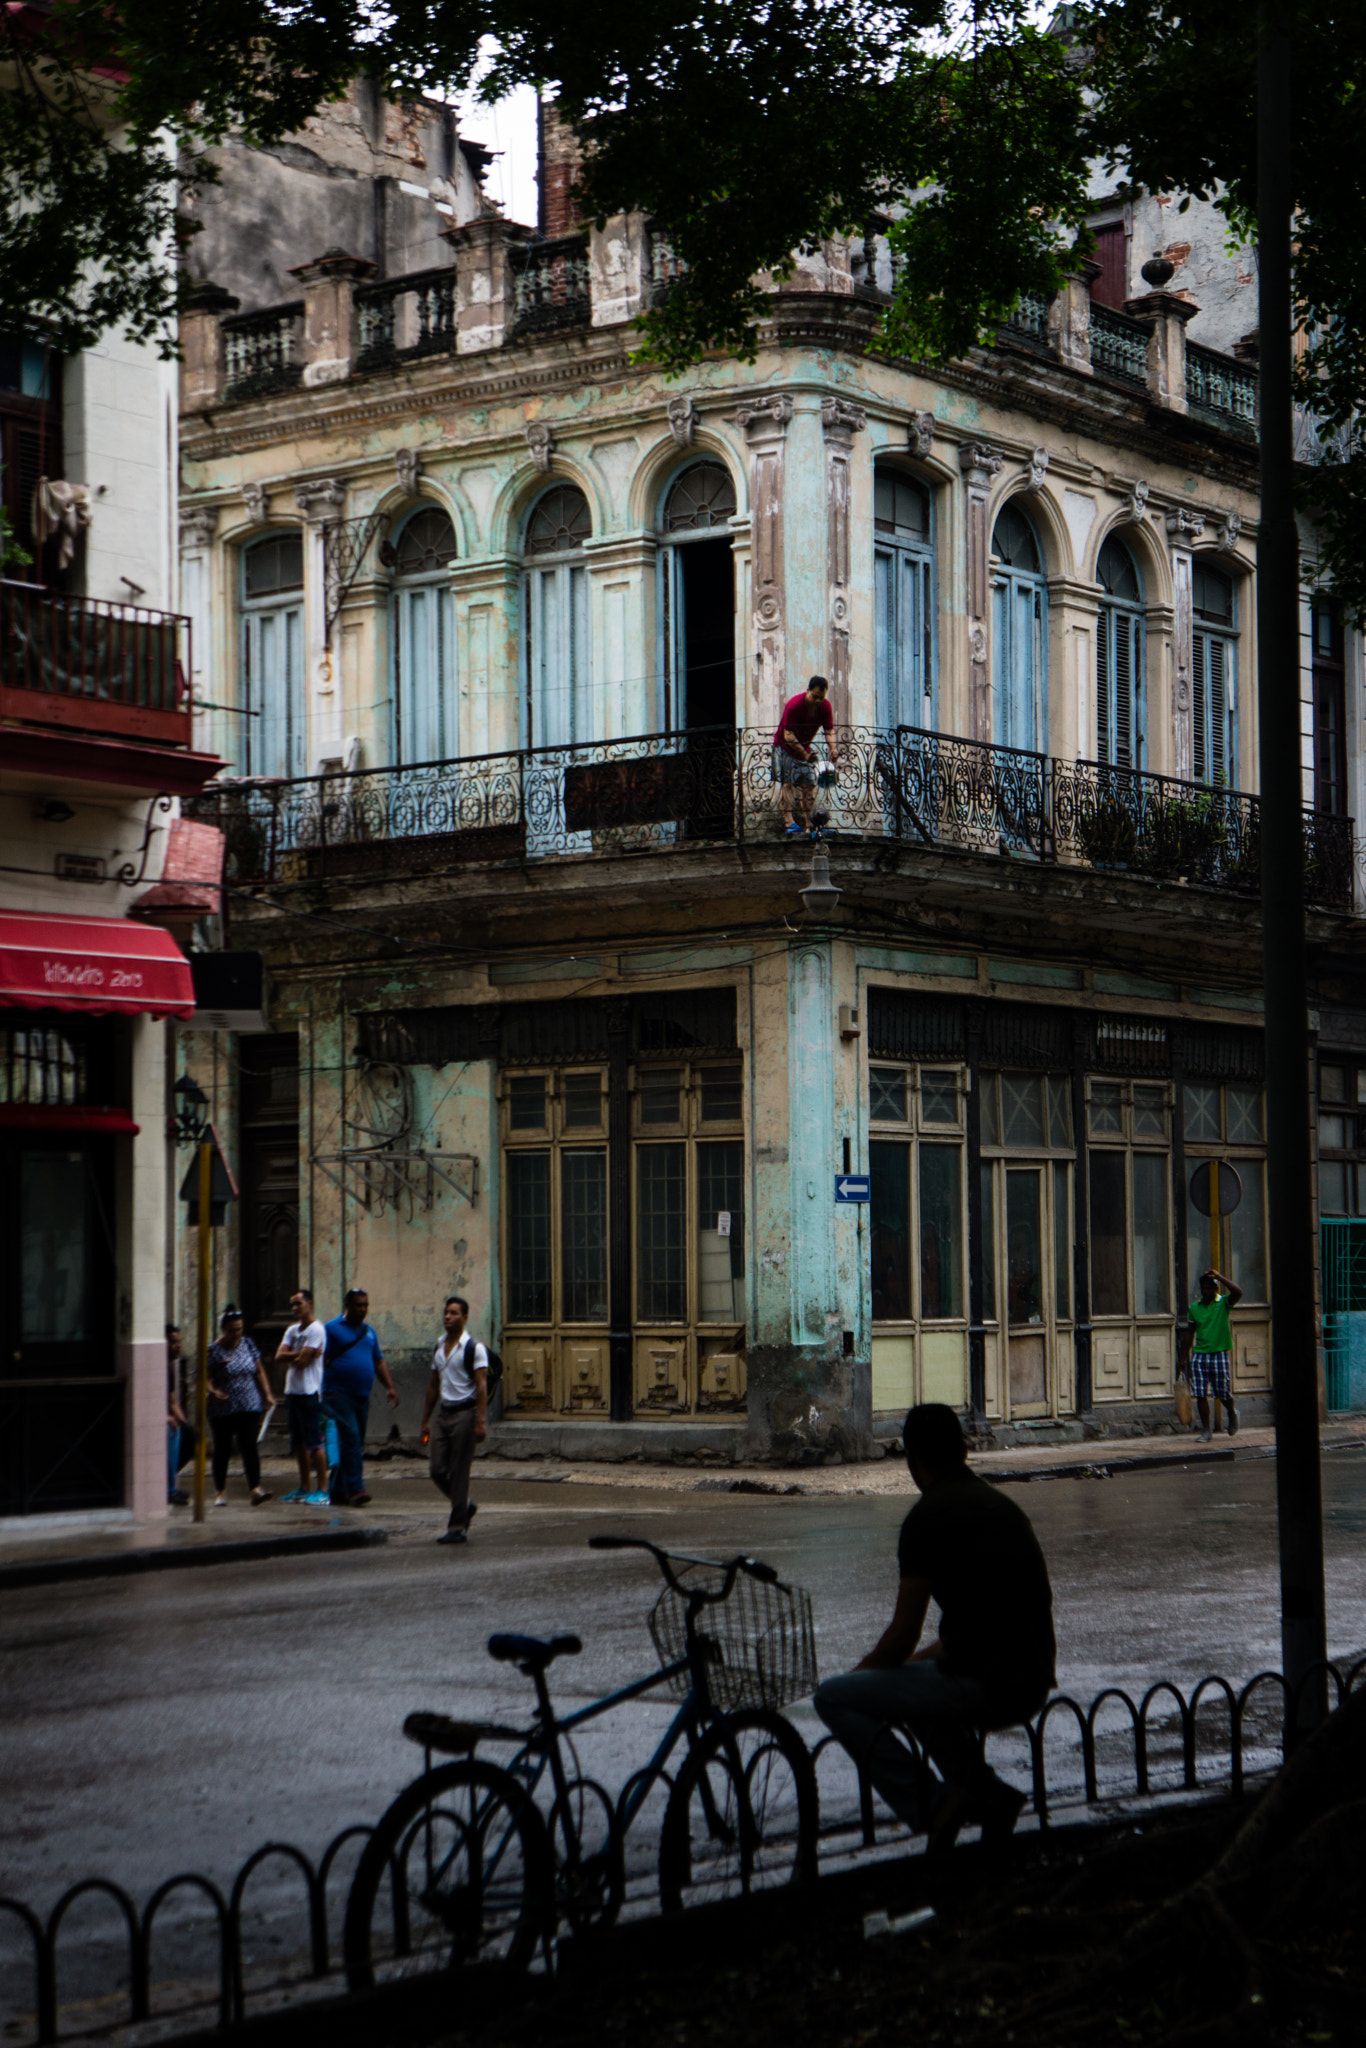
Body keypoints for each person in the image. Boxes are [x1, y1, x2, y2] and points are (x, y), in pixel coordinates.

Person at [814, 1402, 1055, 1851]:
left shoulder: (926, 1519)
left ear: (912, 1458)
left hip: (987, 1682)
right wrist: (893, 1677)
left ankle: (933, 1804)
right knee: (913, 1692)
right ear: (962, 1450)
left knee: (833, 1698)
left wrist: (862, 1679)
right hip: (1031, 1677)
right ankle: (989, 1796)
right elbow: (969, 1632)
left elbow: (902, 1635)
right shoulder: (1000, 1507)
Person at [420, 1296, 489, 1546]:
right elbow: (433, 1385)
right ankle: (465, 1505)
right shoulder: (439, 1346)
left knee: (459, 1471)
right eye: (446, 1313)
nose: (447, 1317)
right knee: (437, 1470)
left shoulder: (474, 1348)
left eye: (454, 1313)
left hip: (465, 1414)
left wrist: (480, 1421)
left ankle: (457, 1526)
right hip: (444, 1414)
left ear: (465, 1317)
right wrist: (425, 1420)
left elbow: (482, 1386)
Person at [322, 1287, 399, 1506]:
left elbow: (379, 1361)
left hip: (361, 1397)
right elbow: (321, 1359)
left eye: (366, 1305)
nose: (363, 1309)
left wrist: (390, 1387)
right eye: (359, 1305)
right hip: (337, 1394)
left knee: (353, 1442)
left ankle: (337, 1490)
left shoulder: (369, 1332)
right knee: (351, 1438)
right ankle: (356, 1489)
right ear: (347, 1305)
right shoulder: (331, 1329)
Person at [206, 1306, 274, 1506]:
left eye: (239, 1329)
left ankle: (255, 1488)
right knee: (223, 1449)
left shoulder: (249, 1344)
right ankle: (220, 1491)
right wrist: (213, 1391)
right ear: (223, 1329)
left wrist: (267, 1394)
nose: (236, 1334)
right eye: (231, 1330)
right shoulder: (213, 1350)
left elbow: (259, 1371)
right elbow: (205, 1377)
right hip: (223, 1406)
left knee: (249, 1446)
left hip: (249, 1403)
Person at [275, 1288, 330, 1504]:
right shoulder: (292, 1330)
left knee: (315, 1442)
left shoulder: (317, 1330)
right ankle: (304, 1487)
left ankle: (323, 1490)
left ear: (310, 1303)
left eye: (298, 1303)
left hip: (310, 1392)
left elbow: (303, 1362)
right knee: (298, 1443)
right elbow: (279, 1356)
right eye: (292, 1304)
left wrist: (300, 1355)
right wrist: (302, 1352)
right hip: (293, 1391)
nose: (294, 1308)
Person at [1178, 1265, 1243, 1442]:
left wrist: (1220, 1277)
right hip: (1200, 1354)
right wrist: (1183, 1357)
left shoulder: (1223, 1303)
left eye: (1209, 1288)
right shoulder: (1195, 1308)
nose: (1205, 1291)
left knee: (1223, 1393)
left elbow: (1238, 1292)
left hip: (1219, 1353)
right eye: (1203, 1288)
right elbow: (1189, 1333)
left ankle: (1231, 1412)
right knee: (1200, 1393)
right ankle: (1206, 1430)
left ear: (1215, 1289)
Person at [773, 674, 838, 838]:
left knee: (808, 786)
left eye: (821, 698)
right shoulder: (794, 705)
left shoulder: (825, 706)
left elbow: (829, 730)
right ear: (808, 690)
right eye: (815, 696)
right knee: (787, 784)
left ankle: (811, 825)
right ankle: (789, 823)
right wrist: (805, 754)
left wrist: (834, 749)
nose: (818, 701)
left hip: (804, 749)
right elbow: (788, 735)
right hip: (783, 747)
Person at [167, 1324, 188, 1507]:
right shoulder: (160, 1366)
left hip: (170, 1417)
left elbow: (172, 1400)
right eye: (172, 1342)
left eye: (178, 1341)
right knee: (171, 1431)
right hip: (162, 1421)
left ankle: (171, 1483)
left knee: (188, 1435)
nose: (177, 1346)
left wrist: (183, 1421)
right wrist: (166, 1418)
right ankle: (169, 1489)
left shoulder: (171, 1368)